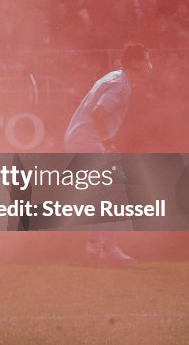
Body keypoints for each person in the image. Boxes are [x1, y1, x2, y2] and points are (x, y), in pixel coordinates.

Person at [64, 43, 152, 261]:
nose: (150, 64)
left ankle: (97, 246)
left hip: (81, 138)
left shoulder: (116, 77)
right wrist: (108, 142)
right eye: (146, 59)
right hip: (87, 140)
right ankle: (106, 248)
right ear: (135, 63)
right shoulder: (121, 85)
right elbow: (99, 112)